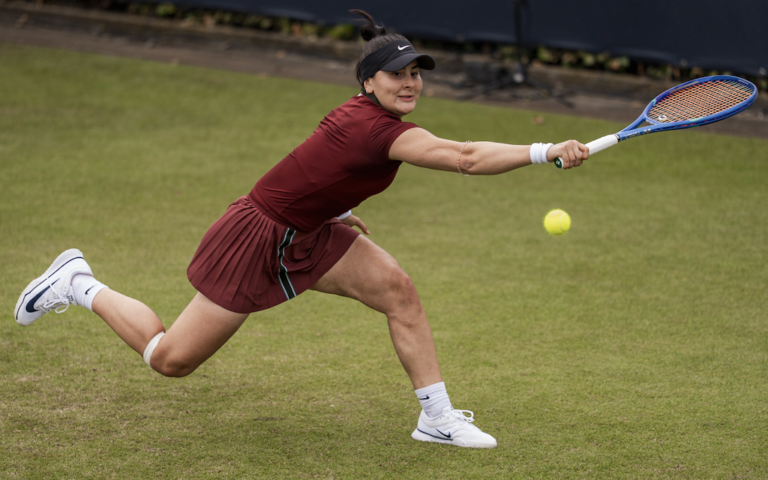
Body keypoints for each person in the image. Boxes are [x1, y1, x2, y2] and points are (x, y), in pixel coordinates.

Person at [13, 9, 588, 449]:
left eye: (415, 74)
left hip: (308, 230)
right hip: (258, 239)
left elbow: (311, 171)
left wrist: (331, 214)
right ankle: (79, 283)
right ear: (370, 83)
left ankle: (436, 418)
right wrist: (543, 151)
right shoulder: (374, 129)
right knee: (171, 360)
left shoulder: (370, 119)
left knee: (398, 292)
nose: (409, 83)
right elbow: (462, 156)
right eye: (396, 75)